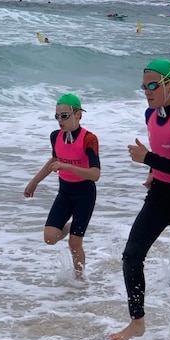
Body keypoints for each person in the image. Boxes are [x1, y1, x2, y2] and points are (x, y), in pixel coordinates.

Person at [109, 59, 170, 340]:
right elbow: (166, 152)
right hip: (160, 194)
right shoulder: (151, 114)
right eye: (144, 85)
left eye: (153, 85)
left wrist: (148, 159)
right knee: (131, 256)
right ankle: (137, 321)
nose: (147, 91)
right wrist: (154, 171)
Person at [24, 93, 101, 279]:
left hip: (85, 194)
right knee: (49, 238)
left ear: (78, 115)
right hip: (65, 193)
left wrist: (67, 166)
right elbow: (54, 159)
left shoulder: (89, 139)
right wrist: (34, 181)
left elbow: (95, 174)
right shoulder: (55, 136)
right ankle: (70, 227)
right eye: (57, 116)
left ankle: (80, 280)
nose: (60, 120)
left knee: (74, 243)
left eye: (65, 116)